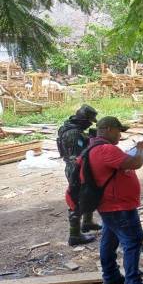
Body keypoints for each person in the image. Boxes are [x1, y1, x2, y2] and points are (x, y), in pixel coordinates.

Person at [90, 117, 143, 284]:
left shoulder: (95, 148)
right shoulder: (105, 149)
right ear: (108, 129)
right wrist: (141, 150)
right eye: (118, 131)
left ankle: (111, 279)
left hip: (110, 206)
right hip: (118, 206)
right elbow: (135, 163)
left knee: (108, 242)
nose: (120, 135)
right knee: (133, 241)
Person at [57, 104, 102, 246]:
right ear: (83, 119)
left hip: (78, 166)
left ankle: (87, 222)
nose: (90, 124)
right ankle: (74, 235)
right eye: (89, 121)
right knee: (76, 199)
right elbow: (79, 154)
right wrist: (92, 142)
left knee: (88, 193)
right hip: (76, 168)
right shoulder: (73, 133)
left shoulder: (69, 129)